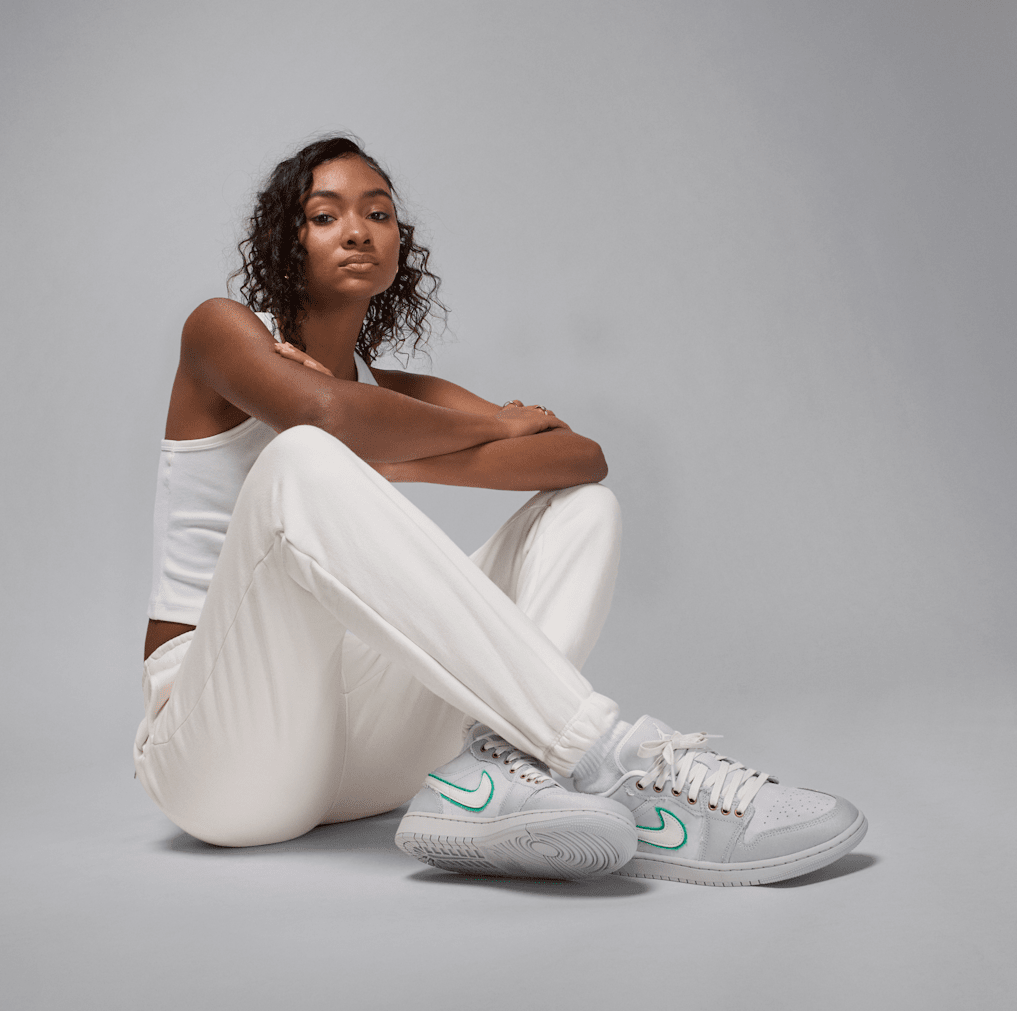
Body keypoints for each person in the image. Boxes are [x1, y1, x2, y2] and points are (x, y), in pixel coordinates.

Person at [134, 135, 867, 884]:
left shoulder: (393, 396)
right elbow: (326, 416)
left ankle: (494, 775)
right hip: (219, 756)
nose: (357, 231)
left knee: (583, 510)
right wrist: (479, 426)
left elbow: (578, 456)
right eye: (325, 216)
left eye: (378, 214)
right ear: (285, 244)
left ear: (399, 246)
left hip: (363, 756)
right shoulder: (221, 332)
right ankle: (608, 761)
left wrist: (392, 444)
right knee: (302, 456)